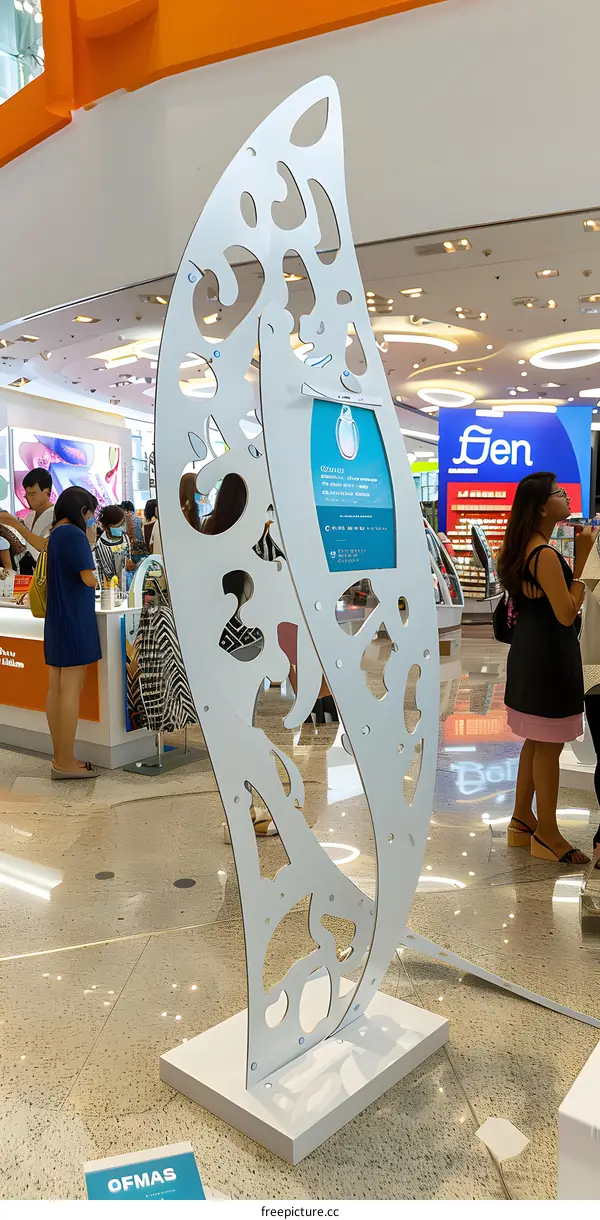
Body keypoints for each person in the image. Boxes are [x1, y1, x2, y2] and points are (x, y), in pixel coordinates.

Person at [498, 471, 597, 864]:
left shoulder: (527, 548)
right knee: (549, 745)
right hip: (549, 662)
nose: (566, 497)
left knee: (536, 742)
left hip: (530, 657)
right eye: (558, 493)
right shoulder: (543, 555)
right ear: (542, 508)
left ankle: (522, 819)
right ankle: (548, 833)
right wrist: (587, 566)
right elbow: (567, 612)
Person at [44, 486, 101, 780]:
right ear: (83, 511)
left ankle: (59, 757)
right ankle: (66, 761)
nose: (92, 519)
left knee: (56, 687)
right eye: (91, 514)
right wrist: (90, 542)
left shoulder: (56, 533)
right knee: (71, 690)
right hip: (76, 619)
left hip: (57, 619)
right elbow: (88, 578)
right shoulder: (76, 536)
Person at [0, 467, 54, 574]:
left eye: (32, 494)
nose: (28, 498)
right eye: (27, 494)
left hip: (52, 573)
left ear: (47, 492)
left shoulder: (57, 515)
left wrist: (15, 524)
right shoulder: (29, 518)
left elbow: (46, 546)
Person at [95, 504, 132, 587]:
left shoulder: (125, 537)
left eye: (122, 524)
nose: (121, 528)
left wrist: (129, 563)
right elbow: (107, 572)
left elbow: (128, 557)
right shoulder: (101, 544)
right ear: (107, 527)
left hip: (125, 582)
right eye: (118, 526)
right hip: (110, 586)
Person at [120, 499, 148, 583]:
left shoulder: (123, 518)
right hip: (140, 550)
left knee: (128, 573)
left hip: (128, 549)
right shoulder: (139, 519)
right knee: (139, 573)